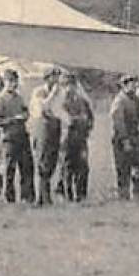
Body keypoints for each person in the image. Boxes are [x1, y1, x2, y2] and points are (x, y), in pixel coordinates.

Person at [0, 69, 33, 202]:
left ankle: (27, 196)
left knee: (27, 167)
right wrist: (13, 119)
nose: (13, 84)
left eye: (15, 81)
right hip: (9, 138)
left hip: (22, 135)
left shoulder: (19, 98)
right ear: (5, 82)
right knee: (9, 169)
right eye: (10, 81)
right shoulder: (0, 100)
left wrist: (24, 116)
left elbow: (26, 112)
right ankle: (9, 197)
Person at [26, 68, 64, 206]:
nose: (57, 80)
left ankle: (46, 196)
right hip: (41, 126)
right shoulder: (39, 92)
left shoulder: (60, 92)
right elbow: (43, 108)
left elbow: (59, 110)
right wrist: (52, 95)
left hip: (54, 126)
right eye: (54, 77)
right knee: (41, 162)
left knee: (51, 161)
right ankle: (40, 198)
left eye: (58, 77)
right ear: (48, 78)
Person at [57, 72, 94, 202]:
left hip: (81, 138)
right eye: (65, 85)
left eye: (71, 85)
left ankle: (81, 195)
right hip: (66, 139)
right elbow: (67, 120)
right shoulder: (59, 102)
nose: (69, 88)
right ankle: (68, 195)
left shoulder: (82, 101)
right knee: (67, 167)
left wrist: (86, 126)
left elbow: (89, 118)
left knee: (83, 167)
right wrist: (79, 119)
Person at [108, 75, 139, 200]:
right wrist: (125, 140)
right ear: (123, 85)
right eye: (130, 83)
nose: (133, 86)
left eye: (134, 83)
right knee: (123, 169)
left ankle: (137, 195)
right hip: (122, 140)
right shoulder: (119, 101)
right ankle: (123, 196)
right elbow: (118, 122)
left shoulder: (135, 100)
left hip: (135, 138)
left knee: (137, 167)